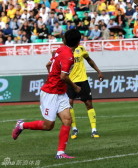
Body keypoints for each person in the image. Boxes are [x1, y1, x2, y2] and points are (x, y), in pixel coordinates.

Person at [12, 30, 82, 158]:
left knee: (67, 120)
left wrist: (52, 75)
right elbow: (63, 77)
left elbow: (48, 64)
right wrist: (75, 87)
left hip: (60, 92)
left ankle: (60, 153)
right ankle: (21, 125)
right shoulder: (69, 56)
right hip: (50, 92)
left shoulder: (60, 50)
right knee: (48, 125)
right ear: (78, 43)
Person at [68, 45, 104, 139]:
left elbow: (89, 60)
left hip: (83, 80)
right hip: (70, 81)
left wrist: (98, 71)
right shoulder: (63, 51)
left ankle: (94, 129)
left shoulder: (81, 49)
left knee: (88, 103)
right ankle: (74, 128)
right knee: (69, 103)